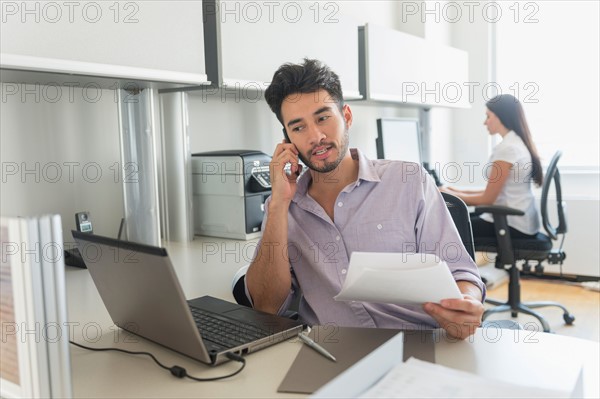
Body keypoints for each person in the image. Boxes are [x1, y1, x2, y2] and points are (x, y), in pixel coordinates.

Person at [245, 59, 485, 340]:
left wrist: (466, 304)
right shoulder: (285, 208)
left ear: (346, 116)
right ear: (287, 140)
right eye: (298, 128)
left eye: (323, 118)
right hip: (332, 351)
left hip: (418, 344)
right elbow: (265, 305)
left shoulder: (408, 181)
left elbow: (461, 272)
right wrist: (277, 204)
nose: (316, 137)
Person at [441, 94, 543, 247]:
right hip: (519, 220)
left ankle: (459, 271)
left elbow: (487, 199)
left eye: (488, 116)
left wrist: (447, 195)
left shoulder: (507, 149)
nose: (485, 122)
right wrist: (453, 190)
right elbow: (491, 193)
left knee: (446, 229)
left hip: (511, 224)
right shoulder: (516, 143)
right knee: (458, 219)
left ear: (501, 116)